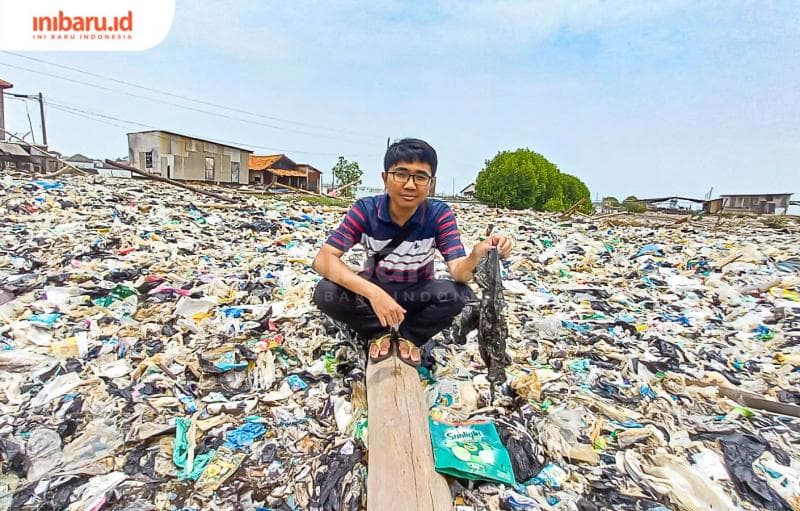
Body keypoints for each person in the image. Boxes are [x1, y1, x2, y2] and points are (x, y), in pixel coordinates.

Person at [311, 138, 513, 366]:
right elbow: (323, 259)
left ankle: (410, 336)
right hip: (376, 288)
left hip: (419, 293)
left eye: (420, 177)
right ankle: (379, 332)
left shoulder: (439, 214)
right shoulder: (365, 210)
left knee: (462, 297)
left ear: (431, 183)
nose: (410, 185)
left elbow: (459, 272)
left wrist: (478, 254)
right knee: (325, 291)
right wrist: (374, 294)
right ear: (385, 178)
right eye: (401, 174)